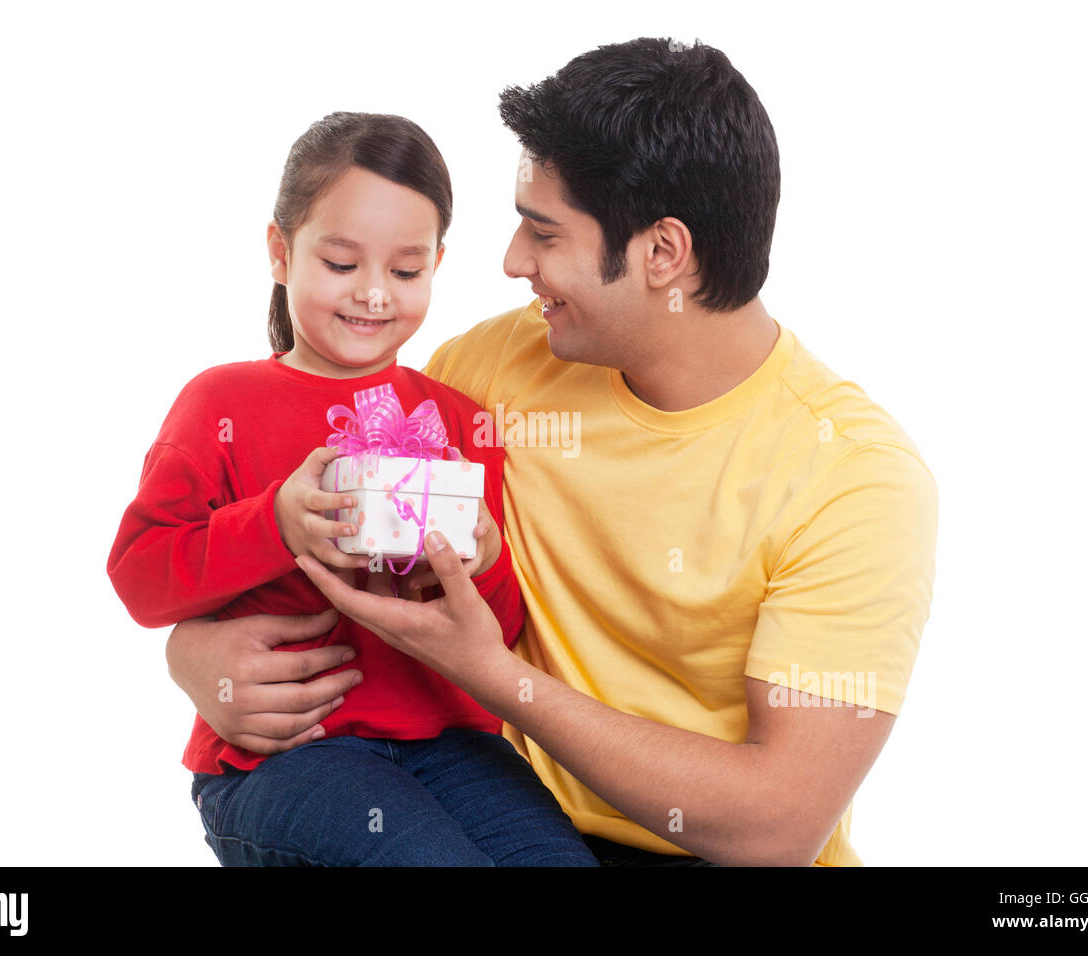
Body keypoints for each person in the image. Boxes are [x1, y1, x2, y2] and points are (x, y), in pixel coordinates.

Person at [165, 38, 940, 866]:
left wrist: (494, 675)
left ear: (661, 253)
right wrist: (195, 654)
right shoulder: (492, 374)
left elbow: (777, 827)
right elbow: (300, 519)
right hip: (495, 825)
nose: (511, 261)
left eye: (543, 231)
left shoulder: (856, 479)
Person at [107, 112, 600, 866]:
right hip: (286, 755)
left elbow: (496, 635)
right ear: (280, 251)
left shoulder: (460, 421)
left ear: (437, 263)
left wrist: (483, 562)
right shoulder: (220, 402)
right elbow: (141, 578)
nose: (374, 294)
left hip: (453, 745)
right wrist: (274, 523)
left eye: (405, 272)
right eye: (341, 263)